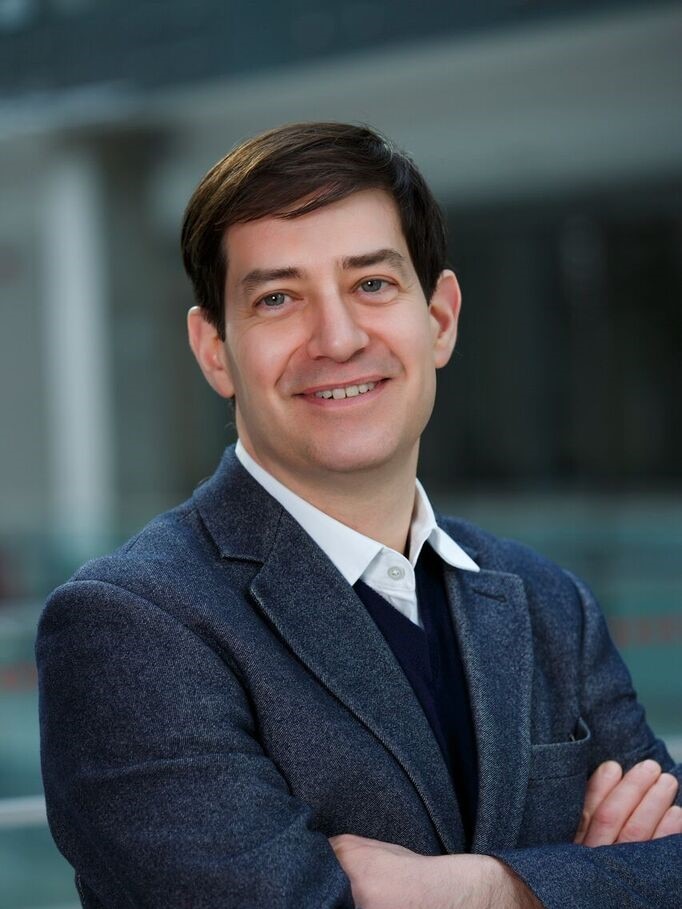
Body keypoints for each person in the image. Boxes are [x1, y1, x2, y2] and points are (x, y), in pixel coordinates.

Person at [37, 123, 681, 909]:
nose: (338, 339)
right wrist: (589, 882)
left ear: (439, 318)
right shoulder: (131, 625)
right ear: (215, 350)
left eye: (371, 284)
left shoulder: (548, 601)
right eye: (278, 298)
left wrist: (488, 889)